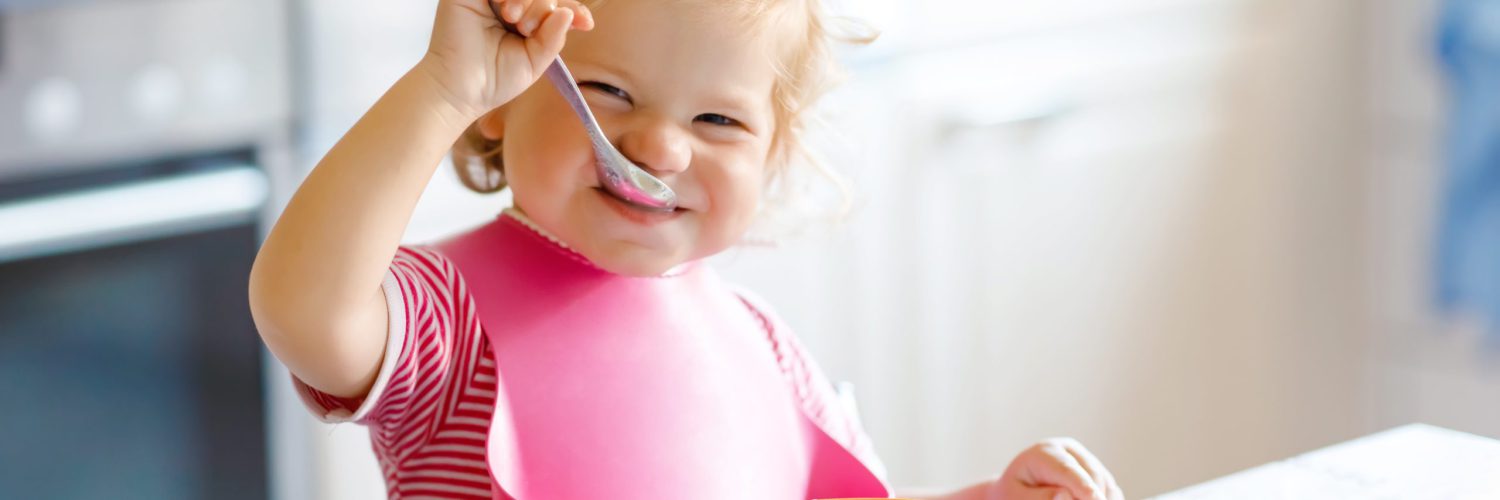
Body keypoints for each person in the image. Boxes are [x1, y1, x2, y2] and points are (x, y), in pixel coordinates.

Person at [248, 0, 1124, 498]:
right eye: (607, 92)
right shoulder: (442, 316)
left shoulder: (760, 345)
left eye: (718, 120)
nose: (660, 150)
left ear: (772, 154)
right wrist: (442, 86)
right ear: (503, 101)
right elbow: (303, 309)